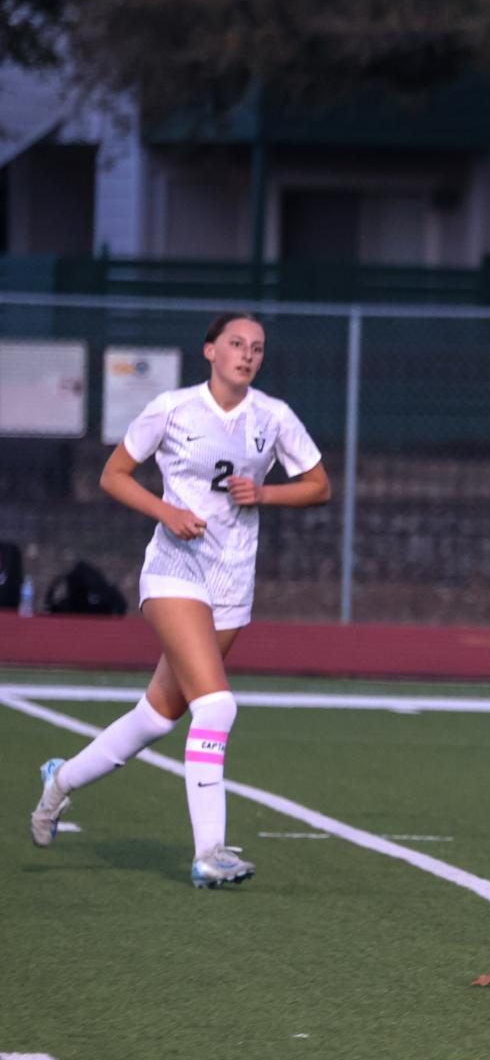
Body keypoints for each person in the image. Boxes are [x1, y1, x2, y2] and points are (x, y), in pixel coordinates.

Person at [29, 313, 331, 887]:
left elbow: (320, 486)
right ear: (209, 351)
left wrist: (266, 492)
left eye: (257, 348)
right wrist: (166, 511)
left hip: (232, 581)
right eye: (236, 344)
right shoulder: (172, 408)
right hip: (174, 571)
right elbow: (114, 474)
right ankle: (209, 853)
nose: (247, 354)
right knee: (216, 706)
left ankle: (60, 781)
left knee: (157, 716)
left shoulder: (274, 417)